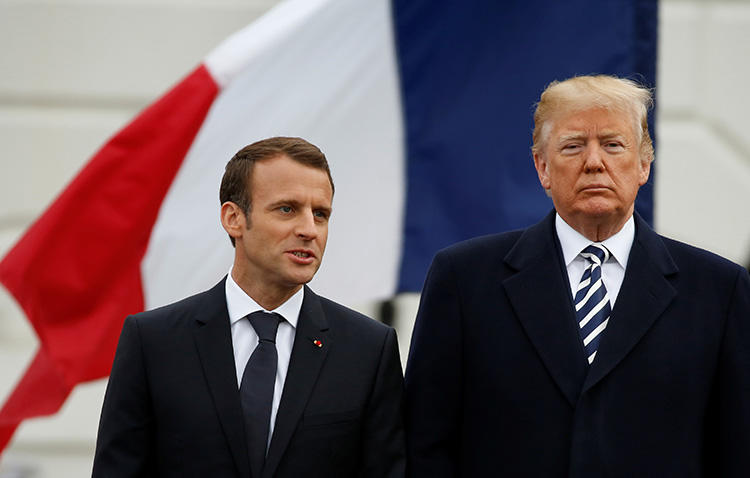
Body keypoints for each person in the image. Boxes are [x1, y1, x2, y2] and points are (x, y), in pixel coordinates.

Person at [404, 75, 750, 477]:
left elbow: (737, 451)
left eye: (612, 144)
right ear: (542, 168)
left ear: (643, 165)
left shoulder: (718, 291)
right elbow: (425, 446)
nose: (594, 162)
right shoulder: (464, 279)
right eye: (572, 146)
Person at [93, 137, 405, 477]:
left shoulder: (368, 350)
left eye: (321, 214)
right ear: (233, 219)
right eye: (287, 209)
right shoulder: (153, 342)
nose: (308, 230)